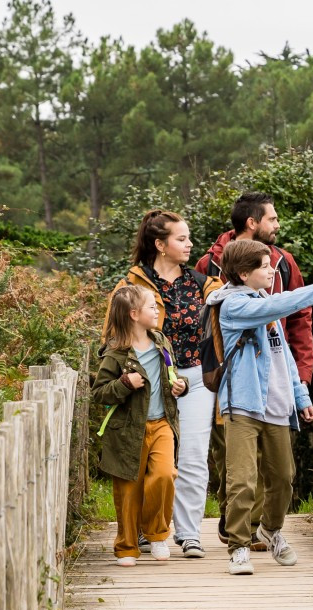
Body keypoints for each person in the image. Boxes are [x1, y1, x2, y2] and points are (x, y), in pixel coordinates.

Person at [205, 239, 313, 575]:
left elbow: (283, 356)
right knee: (242, 481)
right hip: (242, 405)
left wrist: (301, 398)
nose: (271, 270)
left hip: (276, 405)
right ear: (244, 273)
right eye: (263, 265)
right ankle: (239, 547)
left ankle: (270, 531)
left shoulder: (263, 302)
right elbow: (284, 305)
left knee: (284, 478)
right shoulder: (232, 306)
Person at [197, 193, 313, 549]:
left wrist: (301, 384)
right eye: (273, 219)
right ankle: (236, 530)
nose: (277, 225)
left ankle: (256, 529)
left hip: (277, 379)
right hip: (230, 378)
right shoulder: (212, 263)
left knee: (277, 470)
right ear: (253, 222)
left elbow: (297, 321)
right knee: (233, 464)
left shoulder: (283, 262)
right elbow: (202, 321)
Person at [107, 211, 218, 559]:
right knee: (142, 461)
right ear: (160, 244)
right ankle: (145, 530)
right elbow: (112, 334)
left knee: (193, 457)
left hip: (195, 378)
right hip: (152, 382)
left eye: (188, 238)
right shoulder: (131, 285)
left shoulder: (202, 284)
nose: (189, 245)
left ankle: (188, 532)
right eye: (181, 239)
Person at [92, 285, 188, 567]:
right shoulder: (116, 354)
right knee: (128, 488)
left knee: (164, 474)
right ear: (134, 314)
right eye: (151, 307)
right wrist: (125, 383)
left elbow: (172, 373)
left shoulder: (161, 342)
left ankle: (156, 533)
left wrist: (181, 385)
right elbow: (99, 393)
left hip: (162, 424)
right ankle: (126, 546)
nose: (157, 310)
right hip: (127, 430)